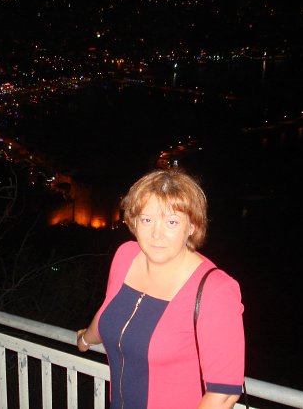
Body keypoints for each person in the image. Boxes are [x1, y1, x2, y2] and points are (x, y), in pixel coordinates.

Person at [77, 168, 245, 409]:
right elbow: (111, 308)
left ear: (192, 226)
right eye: (147, 220)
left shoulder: (215, 291)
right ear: (134, 222)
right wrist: (86, 338)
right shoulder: (126, 256)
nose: (157, 234)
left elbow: (223, 394)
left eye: (172, 222)